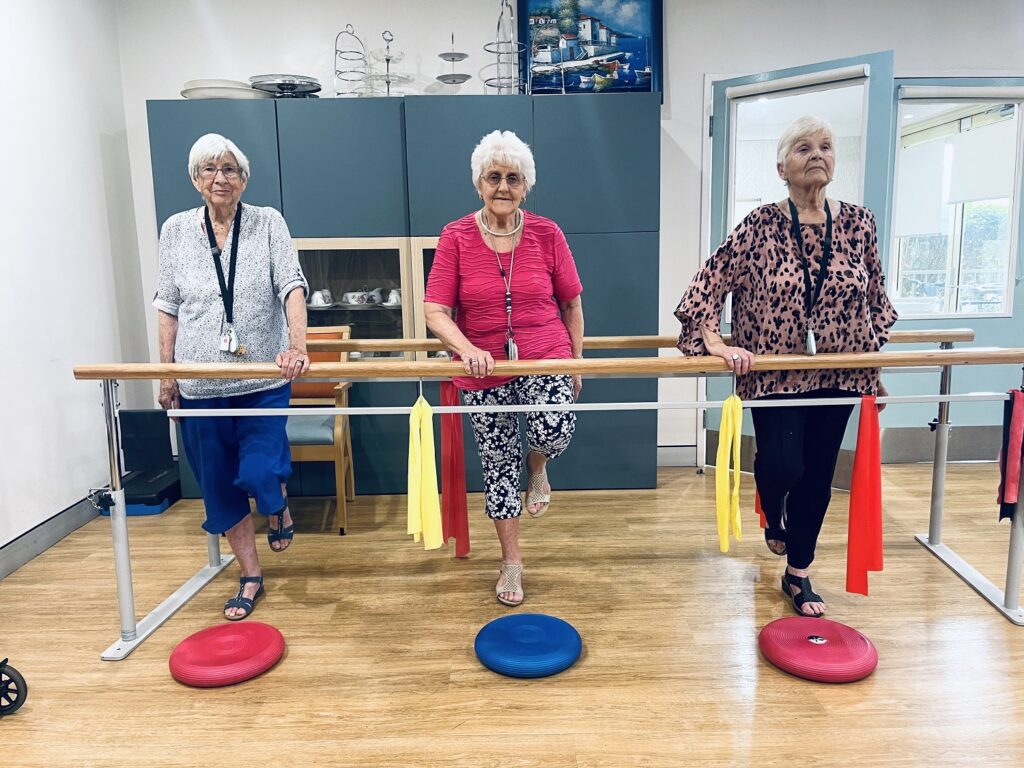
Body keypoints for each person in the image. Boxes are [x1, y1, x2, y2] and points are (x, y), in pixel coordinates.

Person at [674, 116, 898, 617]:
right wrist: (714, 340)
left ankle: (798, 572)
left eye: (826, 146)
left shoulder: (860, 223)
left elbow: (875, 299)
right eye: (803, 148)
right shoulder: (760, 225)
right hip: (774, 371)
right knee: (782, 464)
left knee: (818, 473)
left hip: (840, 372)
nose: (817, 154)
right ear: (782, 168)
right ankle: (772, 506)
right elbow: (709, 281)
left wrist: (875, 366)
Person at [424, 130, 584, 607]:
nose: (503, 186)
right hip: (483, 367)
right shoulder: (455, 236)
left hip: (545, 353)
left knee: (553, 428)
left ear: (526, 186)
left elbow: (571, 304)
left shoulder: (547, 233)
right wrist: (466, 347)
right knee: (496, 464)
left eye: (513, 178)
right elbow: (435, 310)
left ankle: (537, 466)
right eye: (493, 176)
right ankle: (511, 561)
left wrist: (576, 363)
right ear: (478, 183)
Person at [154, 133, 310, 620]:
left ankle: (276, 502)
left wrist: (297, 346)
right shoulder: (176, 230)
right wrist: (167, 374)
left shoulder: (267, 222)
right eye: (210, 169)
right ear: (195, 178)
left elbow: (292, 286)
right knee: (219, 489)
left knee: (261, 470)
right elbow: (167, 306)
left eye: (230, 170)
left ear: (244, 178)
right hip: (199, 387)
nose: (220, 178)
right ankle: (250, 575)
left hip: (262, 382)